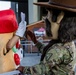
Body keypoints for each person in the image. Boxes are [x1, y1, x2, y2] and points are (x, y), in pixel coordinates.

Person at [17, 0, 76, 75]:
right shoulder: (67, 44)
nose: (45, 18)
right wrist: (35, 41)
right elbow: (49, 53)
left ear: (60, 18)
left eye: (49, 14)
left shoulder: (59, 49)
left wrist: (24, 69)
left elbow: (41, 69)